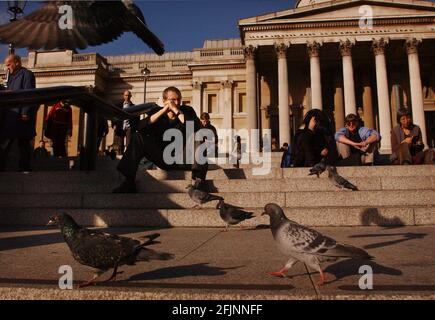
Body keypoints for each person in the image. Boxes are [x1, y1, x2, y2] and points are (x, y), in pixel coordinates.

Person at [113, 86, 208, 193]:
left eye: (178, 100)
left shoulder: (187, 110)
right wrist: (162, 112)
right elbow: (139, 128)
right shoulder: (157, 112)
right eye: (173, 100)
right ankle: (128, 181)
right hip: (162, 158)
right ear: (164, 101)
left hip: (183, 159)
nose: (176, 103)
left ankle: (199, 181)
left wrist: (177, 111)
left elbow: (196, 128)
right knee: (137, 137)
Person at [0, 54, 37, 172]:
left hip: (21, 115)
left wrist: (26, 112)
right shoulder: (10, 77)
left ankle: (25, 167)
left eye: (9, 65)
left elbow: (29, 94)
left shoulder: (27, 74)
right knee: (6, 142)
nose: (7, 68)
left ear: (17, 62)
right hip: (11, 115)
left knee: (24, 143)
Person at [112, 90, 139, 155]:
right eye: (126, 95)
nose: (127, 97)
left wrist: (135, 126)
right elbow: (114, 115)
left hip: (129, 127)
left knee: (129, 143)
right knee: (120, 143)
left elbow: (137, 117)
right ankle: (119, 155)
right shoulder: (118, 106)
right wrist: (114, 124)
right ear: (123, 96)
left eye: (129, 95)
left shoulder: (134, 106)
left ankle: (128, 156)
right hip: (120, 126)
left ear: (131, 96)